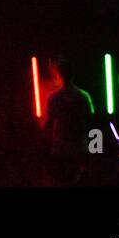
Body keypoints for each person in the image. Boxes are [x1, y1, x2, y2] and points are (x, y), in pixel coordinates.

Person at [44, 58, 94, 186]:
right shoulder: (83, 96)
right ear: (73, 74)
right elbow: (90, 120)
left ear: (59, 74)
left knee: (62, 180)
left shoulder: (54, 97)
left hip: (60, 147)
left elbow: (49, 123)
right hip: (79, 146)